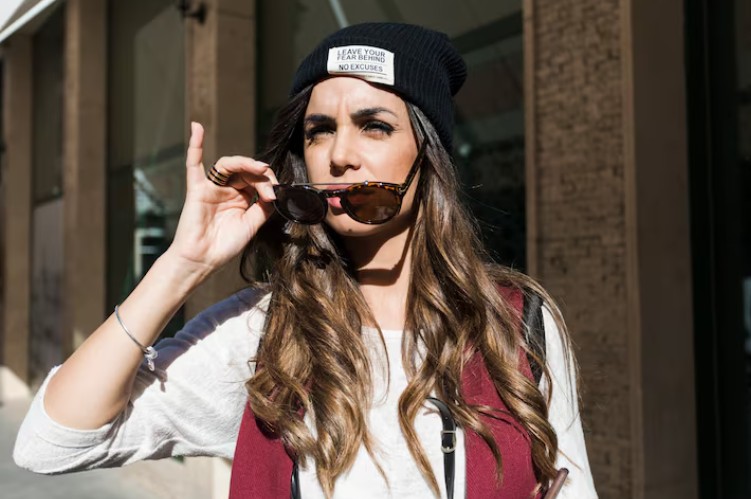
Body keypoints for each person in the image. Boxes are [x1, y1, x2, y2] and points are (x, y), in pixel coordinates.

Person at [14, 22, 597, 498]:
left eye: (374, 126)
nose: (339, 154)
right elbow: (50, 442)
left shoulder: (517, 322)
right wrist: (182, 264)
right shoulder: (263, 331)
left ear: (429, 156)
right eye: (319, 131)